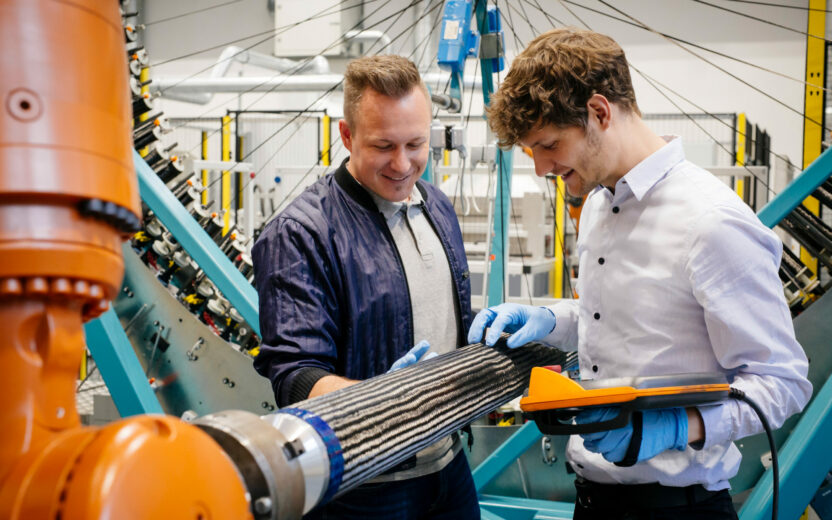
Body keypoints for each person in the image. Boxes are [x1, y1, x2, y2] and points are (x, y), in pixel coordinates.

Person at [469, 28, 811, 520]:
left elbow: (783, 382)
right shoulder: (598, 204)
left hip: (677, 509)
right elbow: (618, 320)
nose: (541, 167)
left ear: (599, 112)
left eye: (548, 144)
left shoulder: (711, 222)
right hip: (592, 501)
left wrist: (676, 427)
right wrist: (549, 318)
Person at [252, 55, 480, 519]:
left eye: (416, 144)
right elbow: (295, 376)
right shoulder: (302, 233)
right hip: (365, 487)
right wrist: (381, 402)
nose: (403, 164)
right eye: (383, 146)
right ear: (347, 136)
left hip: (450, 466)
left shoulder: (436, 206)